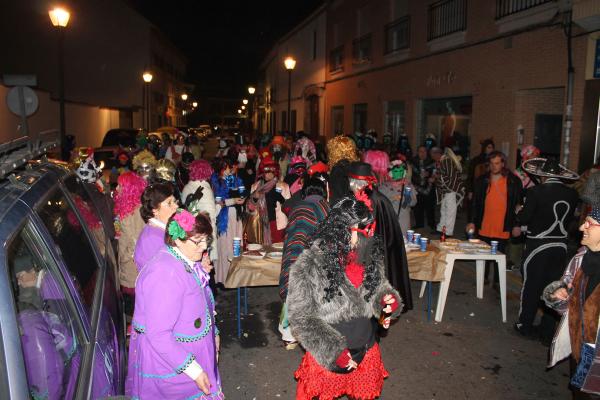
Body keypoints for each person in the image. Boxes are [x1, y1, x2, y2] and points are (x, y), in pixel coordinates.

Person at [287, 197, 403, 400]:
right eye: (361, 229)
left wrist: (387, 300)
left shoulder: (368, 256)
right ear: (340, 230)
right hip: (329, 353)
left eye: (368, 228)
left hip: (365, 348)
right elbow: (301, 318)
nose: (367, 235)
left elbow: (380, 289)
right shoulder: (309, 265)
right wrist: (334, 353)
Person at [127, 210, 223, 399]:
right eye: (198, 241)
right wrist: (194, 370)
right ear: (178, 240)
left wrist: (214, 333)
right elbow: (159, 335)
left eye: (206, 240)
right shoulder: (165, 274)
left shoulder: (183, 259)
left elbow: (199, 303)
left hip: (190, 352)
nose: (204, 247)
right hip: (172, 365)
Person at [543, 171, 600, 398]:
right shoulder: (579, 259)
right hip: (581, 348)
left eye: (590, 224)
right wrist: (558, 296)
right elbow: (566, 300)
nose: (581, 228)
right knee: (579, 392)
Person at [514, 157, 579, 338]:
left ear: (542, 176)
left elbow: (524, 218)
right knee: (553, 288)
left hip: (537, 247)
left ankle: (524, 325)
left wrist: (519, 211)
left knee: (531, 288)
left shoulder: (535, 192)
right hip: (560, 247)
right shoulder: (572, 194)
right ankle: (547, 331)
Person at [348, 161, 413, 311]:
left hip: (370, 257)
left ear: (355, 183)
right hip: (381, 255)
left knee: (373, 298)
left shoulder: (365, 201)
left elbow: (359, 235)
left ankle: (375, 326)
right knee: (380, 298)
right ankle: (378, 324)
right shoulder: (380, 198)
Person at [279, 175, 330, 349]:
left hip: (299, 258)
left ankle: (290, 335)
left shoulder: (299, 207)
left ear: (304, 192)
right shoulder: (326, 207)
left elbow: (293, 238)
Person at [466, 151, 522, 288]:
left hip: (502, 226)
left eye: (497, 163)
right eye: (491, 163)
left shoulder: (514, 181)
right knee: (483, 254)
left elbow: (518, 205)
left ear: (503, 163)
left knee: (500, 256)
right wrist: (472, 221)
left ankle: (497, 281)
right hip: (484, 224)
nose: (494, 166)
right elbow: (475, 203)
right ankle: (483, 278)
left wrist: (517, 224)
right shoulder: (482, 180)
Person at [113, 172, 147, 313]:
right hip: (127, 265)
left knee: (135, 308)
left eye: (120, 185)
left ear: (129, 189)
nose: (117, 188)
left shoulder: (136, 211)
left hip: (132, 268)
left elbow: (137, 240)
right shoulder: (126, 208)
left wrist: (124, 258)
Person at [211, 158, 245, 284]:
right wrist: (233, 201)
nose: (229, 170)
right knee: (225, 246)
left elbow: (240, 192)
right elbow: (217, 202)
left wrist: (241, 197)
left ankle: (234, 276)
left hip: (234, 216)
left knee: (234, 244)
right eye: (227, 167)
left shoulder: (232, 179)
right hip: (224, 217)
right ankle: (224, 278)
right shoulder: (215, 182)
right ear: (221, 168)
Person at [134, 182, 178, 271]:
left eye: (175, 201)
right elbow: (165, 272)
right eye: (169, 203)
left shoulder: (163, 228)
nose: (176, 206)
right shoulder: (151, 237)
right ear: (155, 210)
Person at [248, 157, 291, 244]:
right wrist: (254, 198)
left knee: (278, 251)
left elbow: (289, 209)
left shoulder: (283, 186)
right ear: (262, 173)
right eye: (266, 172)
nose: (269, 175)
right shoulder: (255, 187)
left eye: (272, 172)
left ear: (275, 172)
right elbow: (250, 210)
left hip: (278, 224)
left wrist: (282, 200)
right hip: (260, 225)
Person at [182, 160, 218, 263]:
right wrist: (219, 206)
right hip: (204, 233)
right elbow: (212, 215)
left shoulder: (187, 187)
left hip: (191, 233)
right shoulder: (204, 188)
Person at [431, 147, 465, 236]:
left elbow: (450, 176)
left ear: (437, 154)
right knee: (444, 210)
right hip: (446, 190)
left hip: (451, 189)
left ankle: (448, 232)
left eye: (433, 154)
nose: (432, 157)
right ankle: (441, 228)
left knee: (450, 211)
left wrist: (437, 177)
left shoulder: (447, 161)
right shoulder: (444, 161)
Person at [379, 156, 417, 234]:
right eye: (396, 171)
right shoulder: (383, 186)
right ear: (391, 173)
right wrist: (393, 198)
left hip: (403, 218)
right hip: (389, 217)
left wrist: (407, 198)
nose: (399, 173)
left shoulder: (408, 185)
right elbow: (380, 203)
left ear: (404, 172)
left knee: (404, 240)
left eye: (401, 171)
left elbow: (413, 203)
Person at [411, 145, 436, 230]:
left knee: (430, 207)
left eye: (424, 151)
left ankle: (431, 223)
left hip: (428, 187)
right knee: (417, 207)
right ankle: (419, 223)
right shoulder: (413, 161)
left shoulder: (431, 161)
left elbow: (435, 172)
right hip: (417, 187)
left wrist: (428, 174)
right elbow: (411, 174)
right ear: (417, 152)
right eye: (420, 151)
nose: (422, 153)